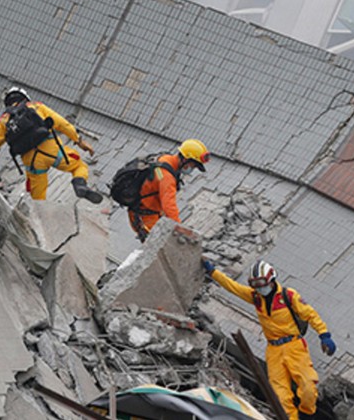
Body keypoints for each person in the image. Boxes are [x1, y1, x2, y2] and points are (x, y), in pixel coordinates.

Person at [203, 259, 337, 420]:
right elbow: (233, 287)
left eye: (261, 283)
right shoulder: (256, 297)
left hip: (294, 346)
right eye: (255, 285)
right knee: (280, 396)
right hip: (273, 351)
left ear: (271, 279)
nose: (259, 288)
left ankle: (307, 413)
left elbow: (311, 315)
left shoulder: (289, 296)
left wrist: (324, 335)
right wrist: (213, 272)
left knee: (308, 386)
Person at [0, 87, 103, 203]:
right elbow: (61, 123)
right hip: (52, 150)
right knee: (79, 166)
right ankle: (79, 184)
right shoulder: (36, 106)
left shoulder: (3, 120)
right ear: (25, 98)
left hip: (32, 161)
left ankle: (40, 215)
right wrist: (79, 140)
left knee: (38, 197)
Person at [128, 138, 210, 241]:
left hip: (146, 210)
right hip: (146, 216)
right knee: (157, 243)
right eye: (193, 165)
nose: (192, 169)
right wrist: (179, 229)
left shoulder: (166, 159)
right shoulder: (167, 177)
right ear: (185, 159)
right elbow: (169, 206)